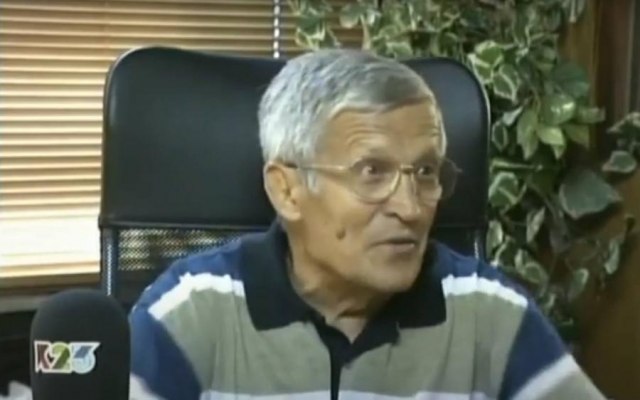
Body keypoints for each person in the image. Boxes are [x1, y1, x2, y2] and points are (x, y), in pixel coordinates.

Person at [128, 49, 605, 400]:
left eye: (425, 172)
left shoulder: (490, 314)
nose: (411, 208)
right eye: (372, 172)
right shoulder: (189, 313)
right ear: (287, 190)